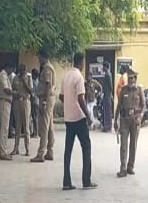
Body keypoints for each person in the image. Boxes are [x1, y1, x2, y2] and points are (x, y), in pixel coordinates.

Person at [61, 53, 96, 191]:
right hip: (79, 118)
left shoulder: (66, 76)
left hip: (68, 118)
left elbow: (61, 96)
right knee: (86, 147)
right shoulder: (79, 77)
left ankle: (66, 182)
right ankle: (86, 181)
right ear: (81, 63)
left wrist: (68, 105)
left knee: (67, 150)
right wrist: (88, 116)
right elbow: (81, 98)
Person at [114, 70, 145, 176]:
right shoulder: (123, 90)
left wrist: (140, 117)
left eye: (133, 78)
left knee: (133, 145)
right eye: (130, 78)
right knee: (123, 145)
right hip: (124, 120)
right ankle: (123, 169)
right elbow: (119, 105)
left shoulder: (139, 90)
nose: (131, 80)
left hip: (135, 121)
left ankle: (130, 166)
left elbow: (143, 106)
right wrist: (115, 120)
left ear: (136, 79)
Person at [31, 50, 56, 162]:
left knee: (44, 127)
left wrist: (44, 102)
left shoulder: (47, 68)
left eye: (39, 58)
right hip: (48, 98)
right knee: (49, 127)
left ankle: (41, 153)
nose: (38, 60)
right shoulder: (48, 67)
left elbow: (48, 85)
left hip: (46, 98)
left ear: (44, 57)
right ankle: (49, 151)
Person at [11, 64, 32, 156]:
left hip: (25, 102)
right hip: (17, 103)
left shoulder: (28, 77)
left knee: (26, 126)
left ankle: (27, 149)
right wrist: (15, 94)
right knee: (18, 126)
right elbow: (12, 89)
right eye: (21, 70)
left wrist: (24, 82)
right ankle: (16, 148)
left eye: (23, 70)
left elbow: (31, 90)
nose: (22, 72)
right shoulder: (15, 78)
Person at [0, 62, 14, 160]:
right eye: (11, 69)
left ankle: (4, 150)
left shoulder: (5, 75)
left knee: (6, 128)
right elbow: (6, 90)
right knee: (4, 128)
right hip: (4, 102)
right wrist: (15, 93)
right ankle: (3, 152)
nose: (12, 72)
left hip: (7, 102)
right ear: (8, 67)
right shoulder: (2, 75)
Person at [100, 62, 114, 132]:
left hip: (107, 96)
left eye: (103, 67)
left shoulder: (108, 74)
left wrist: (110, 94)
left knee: (107, 112)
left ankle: (108, 127)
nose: (102, 68)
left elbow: (111, 86)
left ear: (106, 67)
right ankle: (106, 126)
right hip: (106, 95)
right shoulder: (106, 74)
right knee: (105, 111)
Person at [30, 68, 40, 137]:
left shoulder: (34, 82)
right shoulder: (38, 82)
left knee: (34, 118)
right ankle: (36, 132)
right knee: (36, 117)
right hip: (38, 101)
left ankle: (35, 132)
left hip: (34, 101)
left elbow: (33, 93)